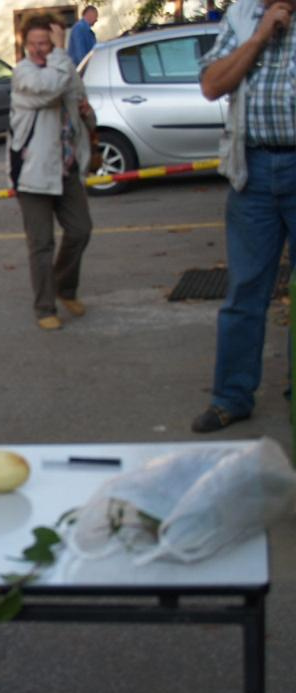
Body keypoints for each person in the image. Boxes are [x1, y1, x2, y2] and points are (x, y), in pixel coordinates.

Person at [191, 0, 296, 432]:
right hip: (252, 170)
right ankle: (231, 397)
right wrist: (259, 36)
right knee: (244, 292)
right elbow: (212, 85)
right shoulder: (242, 15)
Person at [7, 15, 93, 332]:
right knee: (41, 244)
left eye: (44, 43)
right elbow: (51, 89)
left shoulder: (63, 68)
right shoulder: (24, 73)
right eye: (32, 44)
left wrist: (88, 114)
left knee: (81, 230)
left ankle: (64, 287)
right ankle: (45, 306)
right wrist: (60, 52)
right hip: (33, 172)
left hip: (66, 167)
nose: (38, 49)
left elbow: (80, 104)